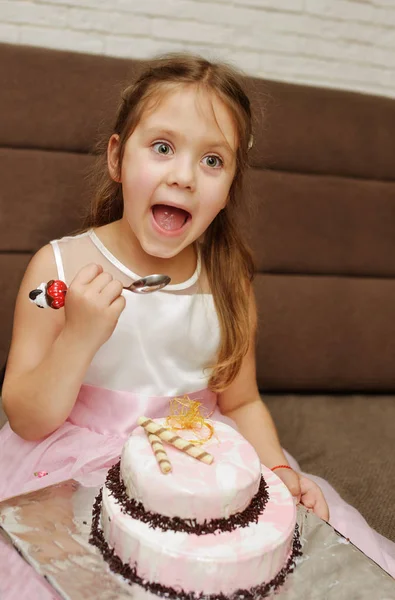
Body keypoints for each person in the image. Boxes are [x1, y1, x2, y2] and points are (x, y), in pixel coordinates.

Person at [0, 54, 394, 599]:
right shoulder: (58, 271)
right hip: (72, 467)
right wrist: (80, 338)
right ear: (118, 157)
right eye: (162, 148)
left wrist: (278, 471)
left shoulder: (229, 282)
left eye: (212, 160)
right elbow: (25, 418)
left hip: (202, 468)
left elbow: (240, 403)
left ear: (230, 184)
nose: (183, 176)